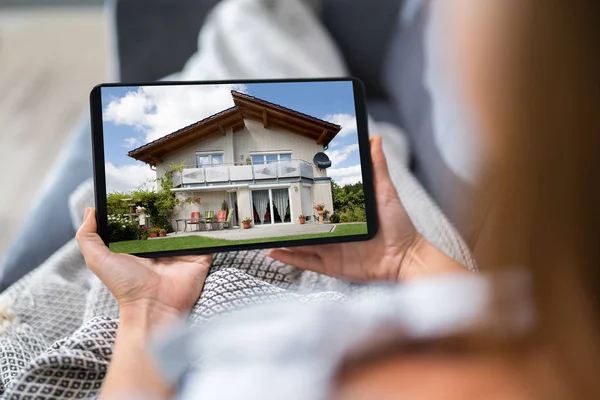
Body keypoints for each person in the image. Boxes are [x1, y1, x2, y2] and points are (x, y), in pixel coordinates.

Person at [76, 1, 600, 399]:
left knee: (249, 25)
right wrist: (408, 256)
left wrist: (147, 311)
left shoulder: (304, 376)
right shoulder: (554, 342)